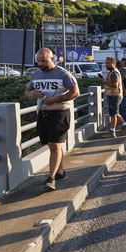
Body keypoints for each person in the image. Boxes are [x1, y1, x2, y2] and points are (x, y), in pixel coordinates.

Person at [25, 48, 79, 191]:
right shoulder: (36, 74)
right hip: (43, 115)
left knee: (55, 146)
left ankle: (51, 178)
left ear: (52, 59)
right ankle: (60, 172)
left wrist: (56, 99)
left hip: (59, 114)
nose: (40, 63)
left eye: (43, 60)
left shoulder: (63, 74)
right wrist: (32, 94)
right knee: (51, 145)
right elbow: (27, 92)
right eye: (38, 60)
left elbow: (75, 92)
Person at [99, 57, 126, 137]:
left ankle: (112, 132)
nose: (106, 65)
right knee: (116, 113)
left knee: (113, 114)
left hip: (114, 95)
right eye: (106, 63)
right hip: (114, 95)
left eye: (108, 63)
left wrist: (104, 82)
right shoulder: (112, 72)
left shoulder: (114, 72)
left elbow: (115, 85)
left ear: (113, 64)